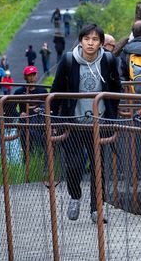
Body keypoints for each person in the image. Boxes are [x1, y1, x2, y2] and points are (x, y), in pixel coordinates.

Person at [51, 24, 122, 223]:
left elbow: (116, 88)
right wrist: (54, 116)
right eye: (87, 39)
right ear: (81, 41)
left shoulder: (108, 60)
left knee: (99, 167)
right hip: (73, 123)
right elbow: (56, 90)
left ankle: (96, 209)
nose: (90, 43)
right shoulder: (68, 60)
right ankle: (75, 195)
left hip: (99, 123)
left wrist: (112, 115)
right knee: (73, 165)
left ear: (101, 43)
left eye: (95, 39)